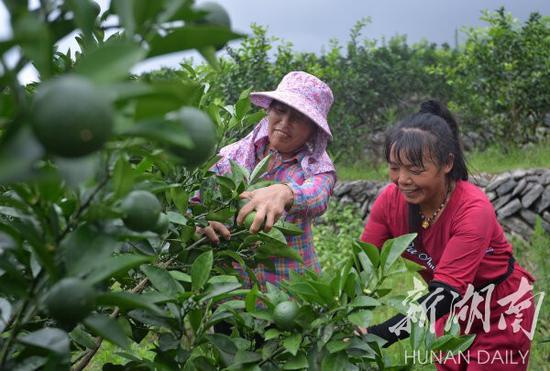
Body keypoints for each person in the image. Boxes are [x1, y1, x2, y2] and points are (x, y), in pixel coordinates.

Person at [359, 101, 536, 370]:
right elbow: (362, 262)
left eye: (416, 169)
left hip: (499, 309)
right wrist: (343, 313)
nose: (402, 179)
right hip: (450, 313)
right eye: (395, 167)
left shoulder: (473, 209)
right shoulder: (389, 202)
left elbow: (444, 294)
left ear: (447, 163)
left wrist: (378, 335)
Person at [198, 71, 336, 289]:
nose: (285, 122)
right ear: (268, 110)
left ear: (312, 129)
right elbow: (196, 201)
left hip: (291, 293)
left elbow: (317, 196)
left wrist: (287, 193)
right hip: (230, 295)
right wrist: (200, 222)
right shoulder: (232, 156)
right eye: (280, 110)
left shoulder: (316, 166)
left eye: (298, 117)